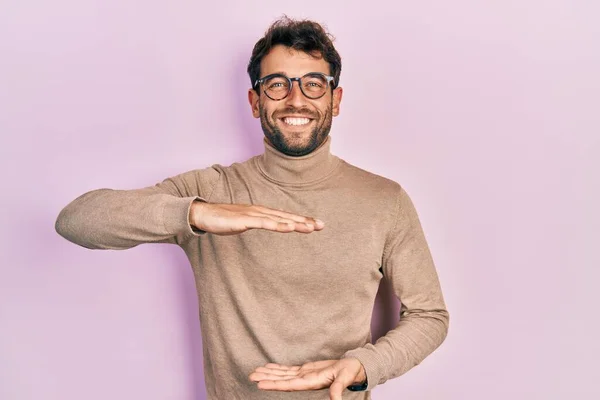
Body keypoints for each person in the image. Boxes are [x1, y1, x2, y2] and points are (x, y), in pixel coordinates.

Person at [55, 16, 449, 400]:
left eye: (314, 84)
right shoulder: (211, 189)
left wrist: (363, 366)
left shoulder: (385, 199)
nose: (296, 99)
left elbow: (430, 316)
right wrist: (197, 213)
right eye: (277, 84)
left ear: (336, 99)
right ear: (256, 101)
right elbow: (76, 220)